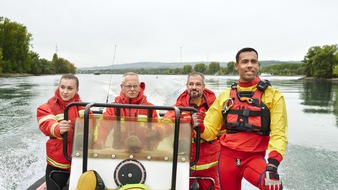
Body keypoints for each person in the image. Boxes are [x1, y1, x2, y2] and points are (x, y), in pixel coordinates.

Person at [193, 47, 288, 190]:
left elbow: (279, 134)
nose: (249, 65)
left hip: (254, 158)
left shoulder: (274, 96)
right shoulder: (225, 96)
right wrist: (201, 127)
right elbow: (211, 130)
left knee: (273, 185)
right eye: (244, 62)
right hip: (227, 159)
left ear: (258, 65)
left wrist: (273, 164)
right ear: (236, 66)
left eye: (253, 61)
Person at [164, 72, 221, 190]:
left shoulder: (214, 107)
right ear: (187, 86)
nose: (194, 87)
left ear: (203, 87)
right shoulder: (179, 106)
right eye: (191, 84)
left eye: (197, 84)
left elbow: (222, 130)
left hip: (209, 161)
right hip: (184, 159)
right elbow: (166, 123)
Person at [94, 72, 165, 152]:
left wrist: (151, 142)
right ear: (122, 87)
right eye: (129, 86)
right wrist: (100, 141)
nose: (132, 89)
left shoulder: (151, 109)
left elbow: (158, 132)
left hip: (144, 153)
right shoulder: (112, 108)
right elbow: (103, 126)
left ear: (139, 87)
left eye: (135, 86)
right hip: (119, 152)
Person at [37, 74, 85, 190]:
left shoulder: (84, 107)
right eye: (62, 87)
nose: (65, 91)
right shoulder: (46, 107)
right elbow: (46, 124)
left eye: (69, 88)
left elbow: (94, 129)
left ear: (77, 90)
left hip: (79, 161)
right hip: (58, 163)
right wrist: (58, 128)